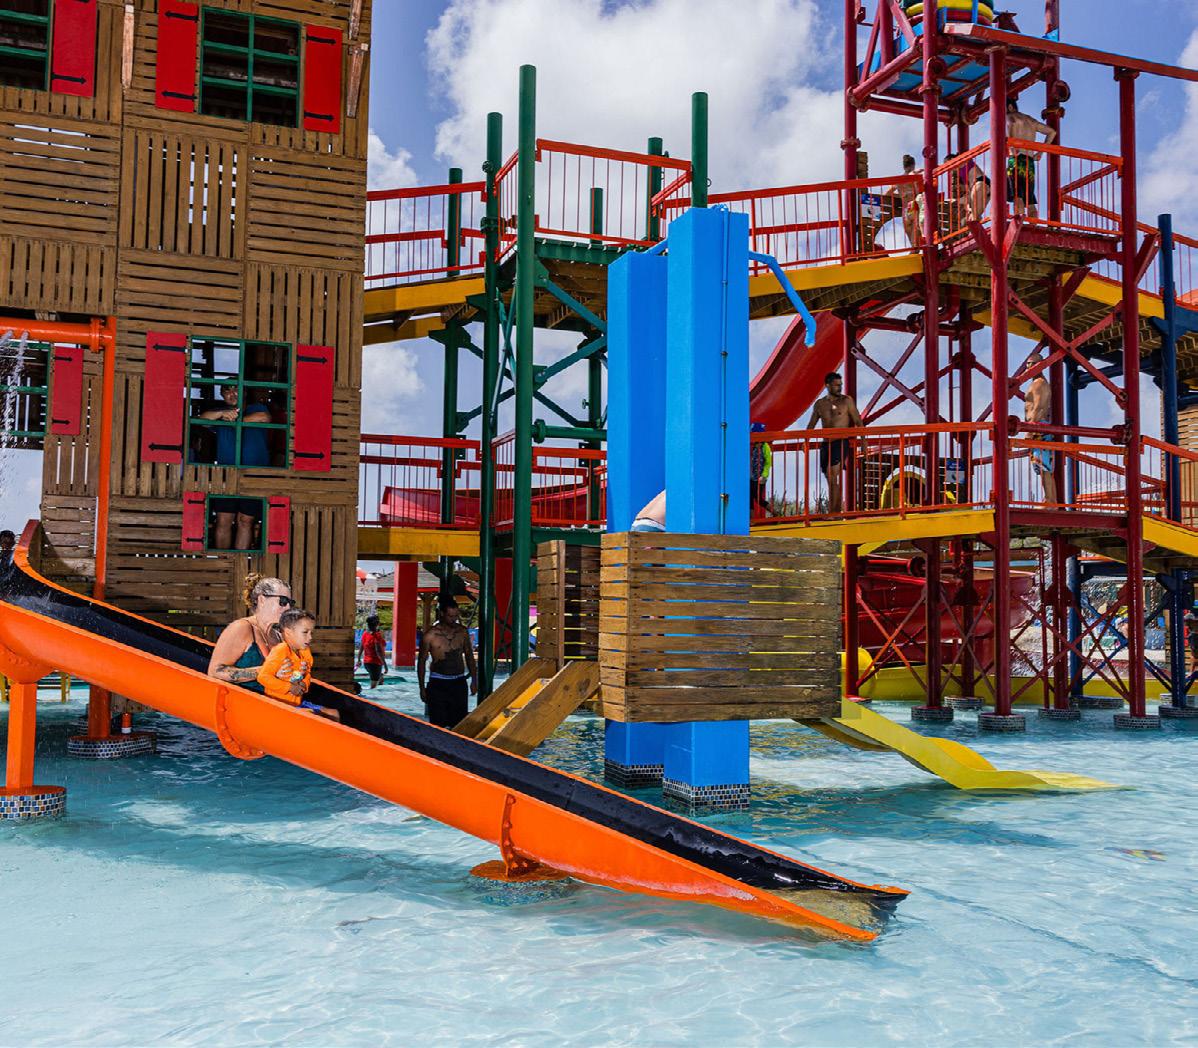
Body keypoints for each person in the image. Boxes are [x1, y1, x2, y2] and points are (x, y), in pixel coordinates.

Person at [195, 384, 272, 550]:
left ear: (244, 391)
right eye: (227, 390)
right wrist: (222, 414)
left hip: (253, 474)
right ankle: (223, 560)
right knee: (223, 519)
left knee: (246, 520)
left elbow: (264, 417)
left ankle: (240, 561)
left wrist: (236, 420)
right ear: (222, 395)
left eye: (235, 389)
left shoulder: (255, 408)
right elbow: (202, 420)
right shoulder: (220, 414)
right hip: (226, 473)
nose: (232, 393)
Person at [208, 574, 293, 690]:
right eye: (283, 601)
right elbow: (215, 671)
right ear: (262, 600)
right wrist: (265, 670)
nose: (288, 608)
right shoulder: (241, 628)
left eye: (291, 603)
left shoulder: (279, 637)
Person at [257, 607, 340, 720]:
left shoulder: (305, 652)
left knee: (334, 713)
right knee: (312, 715)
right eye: (305, 632)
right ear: (288, 632)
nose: (310, 637)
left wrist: (304, 685)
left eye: (311, 633)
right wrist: (290, 687)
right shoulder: (281, 650)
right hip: (279, 705)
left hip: (297, 703)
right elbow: (263, 677)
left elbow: (308, 674)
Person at [807, 371, 863, 514]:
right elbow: (812, 424)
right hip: (826, 444)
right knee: (830, 479)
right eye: (836, 385)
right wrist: (805, 441)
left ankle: (833, 512)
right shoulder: (820, 404)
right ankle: (836, 511)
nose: (840, 388)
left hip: (841, 442)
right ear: (827, 386)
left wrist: (864, 441)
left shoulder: (846, 401)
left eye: (840, 385)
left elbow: (858, 420)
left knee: (832, 475)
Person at [418, 597, 478, 728]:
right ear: (442, 614)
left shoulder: (462, 632)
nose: (454, 619)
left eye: (456, 616)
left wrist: (474, 680)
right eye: (450, 616)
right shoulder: (430, 635)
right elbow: (421, 662)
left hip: (458, 682)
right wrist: (422, 688)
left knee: (459, 724)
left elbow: (469, 656)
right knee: (437, 724)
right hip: (438, 683)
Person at [1006, 98, 1056, 220]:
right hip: (1029, 161)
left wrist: (1011, 148)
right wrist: (1040, 152)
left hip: (1015, 160)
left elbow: (1008, 128)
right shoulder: (1030, 120)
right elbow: (1052, 132)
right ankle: (1034, 224)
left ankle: (1018, 223)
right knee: (1030, 198)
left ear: (1010, 107)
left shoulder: (1008, 117)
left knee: (1017, 195)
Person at [1023, 348, 1057, 505]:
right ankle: (1050, 499)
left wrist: (1031, 429)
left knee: (1044, 466)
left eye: (1032, 364)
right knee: (1043, 466)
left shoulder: (1039, 384)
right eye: (1027, 364)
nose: (1028, 367)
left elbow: (1039, 407)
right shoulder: (1037, 383)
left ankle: (1049, 499)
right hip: (1038, 426)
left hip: (1038, 427)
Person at [891, 154, 925, 249]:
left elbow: (888, 193)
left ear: (903, 166)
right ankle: (915, 249)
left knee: (910, 232)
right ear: (913, 165)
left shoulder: (899, 180)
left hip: (905, 209)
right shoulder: (915, 174)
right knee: (916, 231)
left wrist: (901, 195)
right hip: (914, 205)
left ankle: (914, 249)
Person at [357, 614, 388, 689]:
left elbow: (361, 648)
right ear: (377, 624)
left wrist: (359, 659)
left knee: (380, 680)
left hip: (367, 663)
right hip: (375, 663)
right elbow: (378, 651)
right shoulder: (377, 636)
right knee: (373, 688)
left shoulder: (365, 634)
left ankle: (380, 677)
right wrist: (385, 664)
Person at [750, 421, 773, 518]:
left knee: (758, 498)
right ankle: (751, 519)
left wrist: (764, 475)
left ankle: (775, 513)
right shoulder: (754, 446)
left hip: (760, 477)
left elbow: (768, 462)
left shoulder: (765, 446)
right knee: (749, 497)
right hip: (752, 477)